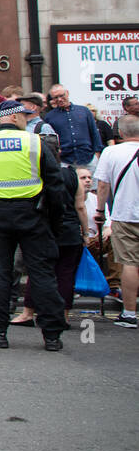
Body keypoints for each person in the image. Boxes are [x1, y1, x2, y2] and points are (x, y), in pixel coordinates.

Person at [0, 99, 66, 351]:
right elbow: (55, 184)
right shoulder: (34, 141)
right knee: (41, 273)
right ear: (18, 118)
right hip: (33, 214)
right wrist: (55, 219)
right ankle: (52, 336)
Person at [9, 136, 87, 327]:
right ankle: (64, 315)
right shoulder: (71, 175)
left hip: (41, 228)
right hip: (69, 229)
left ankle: (28, 313)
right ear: (59, 152)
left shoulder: (33, 174)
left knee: (38, 271)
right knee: (65, 274)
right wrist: (85, 232)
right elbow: (80, 207)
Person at [93, 114, 139, 328]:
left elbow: (103, 186)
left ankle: (129, 314)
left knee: (130, 263)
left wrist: (100, 211)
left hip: (125, 215)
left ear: (120, 133)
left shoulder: (111, 152)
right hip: (126, 214)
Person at [42, 84, 103, 170]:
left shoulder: (84, 111)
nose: (59, 99)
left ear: (67, 93)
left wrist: (97, 154)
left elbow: (94, 133)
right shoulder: (50, 117)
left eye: (61, 95)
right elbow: (49, 140)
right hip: (65, 161)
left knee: (91, 183)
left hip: (88, 158)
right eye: (55, 97)